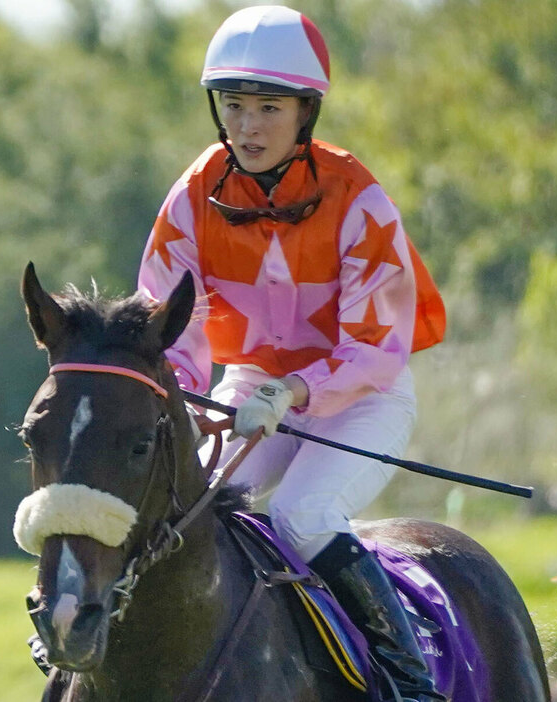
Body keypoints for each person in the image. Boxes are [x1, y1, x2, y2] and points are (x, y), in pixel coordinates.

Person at [138, 6, 446, 702]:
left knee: (301, 515)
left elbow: (376, 349)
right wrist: (187, 404)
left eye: (268, 107)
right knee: (187, 510)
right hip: (249, 387)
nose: (248, 126)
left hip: (362, 400)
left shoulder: (359, 198)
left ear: (306, 112)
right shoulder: (192, 196)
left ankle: (409, 681)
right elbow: (170, 325)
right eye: (235, 105)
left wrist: (294, 393)